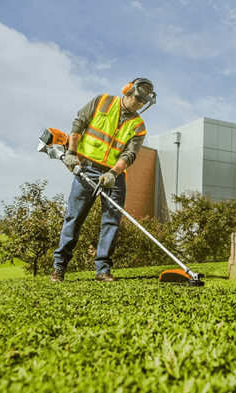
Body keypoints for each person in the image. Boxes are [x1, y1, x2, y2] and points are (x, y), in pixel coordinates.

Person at [50, 78, 156, 282]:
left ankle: (103, 270)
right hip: (86, 169)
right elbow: (79, 122)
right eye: (137, 98)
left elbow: (129, 154)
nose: (138, 104)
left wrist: (113, 174)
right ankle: (59, 268)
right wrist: (72, 153)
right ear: (127, 90)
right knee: (74, 218)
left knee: (111, 222)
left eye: (143, 102)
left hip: (113, 176)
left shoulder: (139, 126)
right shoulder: (102, 101)